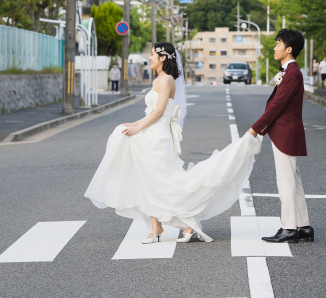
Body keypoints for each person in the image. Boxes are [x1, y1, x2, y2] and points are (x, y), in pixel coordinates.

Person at [85, 42, 262, 243]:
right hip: (150, 132)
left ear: (163, 57)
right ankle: (156, 227)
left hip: (158, 136)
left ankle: (187, 223)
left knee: (163, 182)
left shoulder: (167, 79)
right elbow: (151, 112)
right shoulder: (157, 79)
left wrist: (137, 128)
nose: (149, 57)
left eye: (152, 54)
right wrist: (135, 124)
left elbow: (160, 112)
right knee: (145, 179)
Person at [248, 29, 313, 244]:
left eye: (278, 44)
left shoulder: (292, 73)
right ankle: (303, 227)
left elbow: (277, 105)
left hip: (285, 132)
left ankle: (289, 229)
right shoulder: (288, 71)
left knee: (286, 182)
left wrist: (256, 128)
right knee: (294, 180)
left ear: (289, 49)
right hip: (285, 131)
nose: (275, 48)